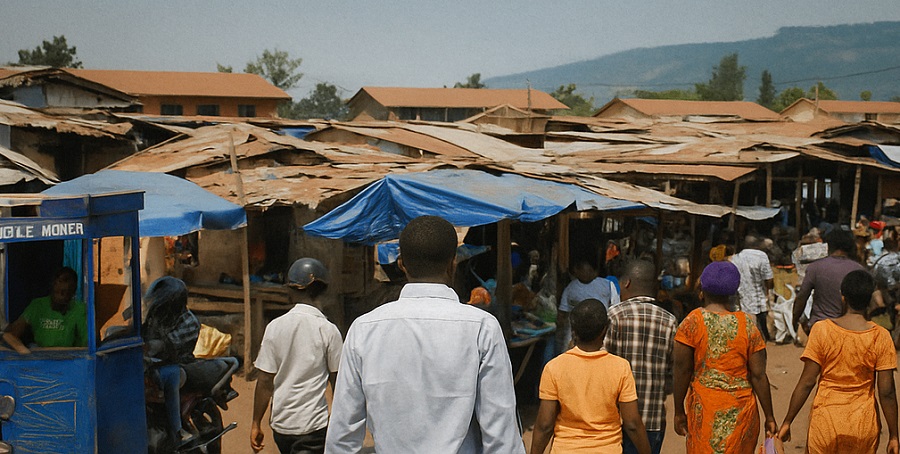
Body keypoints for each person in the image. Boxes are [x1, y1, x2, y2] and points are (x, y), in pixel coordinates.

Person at [325, 216, 525, 453]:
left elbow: (342, 434)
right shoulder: (482, 327)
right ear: (453, 263)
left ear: (402, 265)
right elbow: (501, 432)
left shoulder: (363, 329)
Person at [778, 270, 899, 453]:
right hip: (863, 424)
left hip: (825, 421)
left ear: (843, 298)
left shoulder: (822, 330)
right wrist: (894, 435)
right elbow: (887, 392)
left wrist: (788, 421)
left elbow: (807, 382)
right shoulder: (880, 336)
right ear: (870, 301)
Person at [673, 261, 777, 454]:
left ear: (702, 291)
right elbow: (759, 375)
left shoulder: (692, 322)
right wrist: (769, 416)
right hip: (741, 414)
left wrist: (679, 410)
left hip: (705, 413)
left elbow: (682, 369)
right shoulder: (748, 325)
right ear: (733, 292)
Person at [531, 298, 650, 454]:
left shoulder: (554, 367)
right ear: (605, 329)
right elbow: (632, 423)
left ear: (573, 330)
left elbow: (545, 425)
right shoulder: (620, 367)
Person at [251, 258, 343, 454]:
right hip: (313, 427)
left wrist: (255, 423)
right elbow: (338, 382)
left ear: (290, 290)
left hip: (281, 427)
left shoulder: (275, 327)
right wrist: (341, 422)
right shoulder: (328, 330)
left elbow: (265, 380)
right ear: (322, 291)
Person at [605, 259, 677, 454]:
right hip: (652, 420)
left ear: (626, 283)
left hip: (615, 419)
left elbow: (600, 362)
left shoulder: (613, 316)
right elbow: (675, 371)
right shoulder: (670, 321)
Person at [143, 276, 201, 447]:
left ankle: (178, 431)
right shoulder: (156, 315)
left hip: (180, 365)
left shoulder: (189, 322)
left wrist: (151, 346)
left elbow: (165, 345)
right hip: (152, 363)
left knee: (171, 374)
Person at [793, 229, 865, 333]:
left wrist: (795, 320)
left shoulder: (815, 267)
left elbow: (802, 297)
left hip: (820, 327)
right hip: (848, 329)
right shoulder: (858, 269)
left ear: (829, 246)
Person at [3, 266, 86, 354]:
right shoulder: (37, 305)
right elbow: (13, 333)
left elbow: (87, 343)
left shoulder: (80, 309)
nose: (61, 296)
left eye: (65, 293)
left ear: (73, 293)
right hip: (41, 356)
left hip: (70, 357)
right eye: (58, 291)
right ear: (52, 286)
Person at [557, 260, 620, 354]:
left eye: (588, 270)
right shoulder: (570, 288)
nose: (585, 273)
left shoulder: (607, 285)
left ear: (594, 272)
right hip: (574, 335)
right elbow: (563, 312)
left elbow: (616, 307)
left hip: (600, 333)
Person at [730, 235, 775, 341]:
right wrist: (769, 290)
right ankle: (763, 338)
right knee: (761, 322)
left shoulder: (735, 258)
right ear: (756, 244)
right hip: (759, 298)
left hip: (742, 297)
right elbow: (769, 279)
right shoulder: (761, 256)